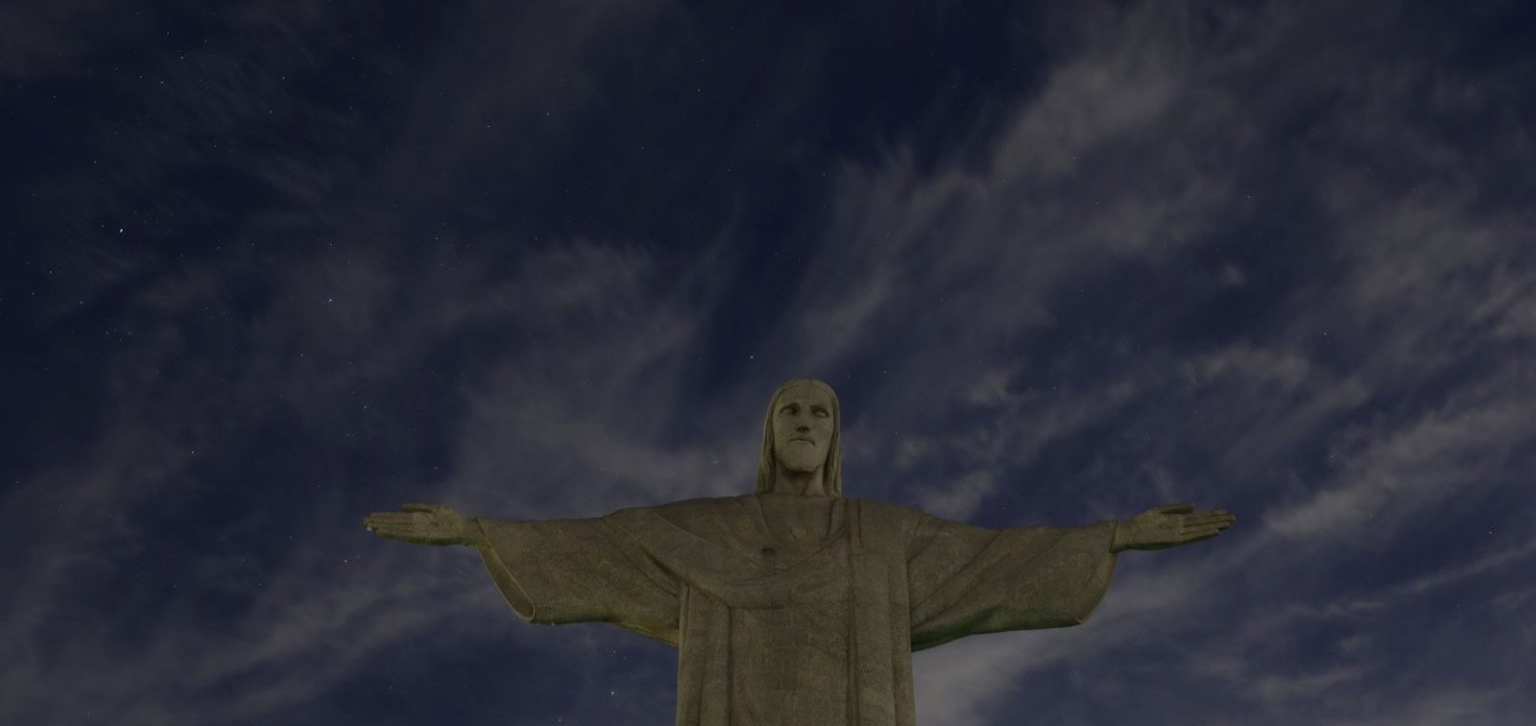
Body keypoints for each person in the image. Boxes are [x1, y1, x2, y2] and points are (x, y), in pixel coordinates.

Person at [365, 378, 1235, 726]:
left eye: (821, 414)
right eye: (792, 412)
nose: (807, 425)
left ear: (837, 436)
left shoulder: (886, 534)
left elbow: (994, 561)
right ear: (769, 432)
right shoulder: (711, 530)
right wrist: (480, 530)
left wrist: (1113, 535)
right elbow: (611, 542)